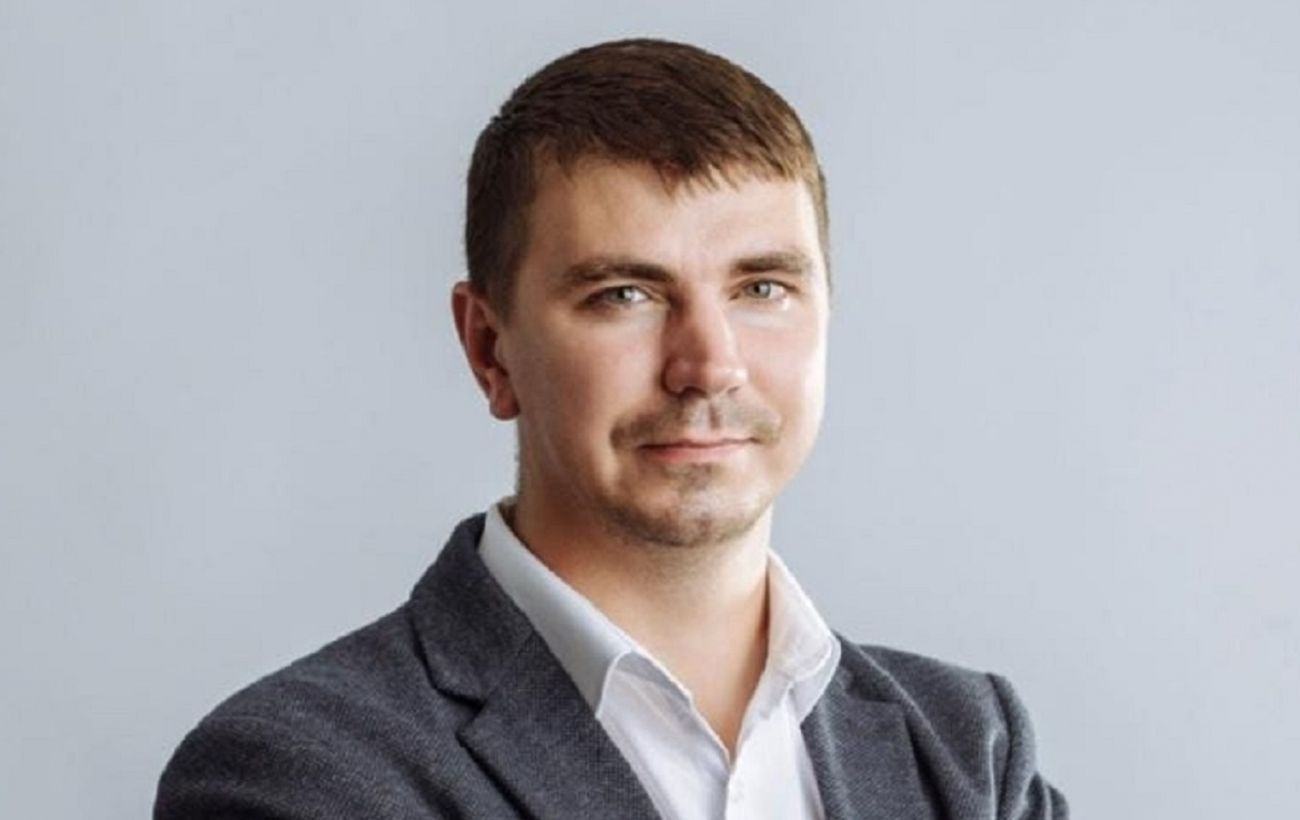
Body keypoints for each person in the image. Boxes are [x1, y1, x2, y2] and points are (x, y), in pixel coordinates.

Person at [155, 37, 1067, 819]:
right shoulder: (301, 771)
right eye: (624, 295)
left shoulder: (967, 748)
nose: (708, 365)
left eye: (762, 288)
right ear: (490, 349)